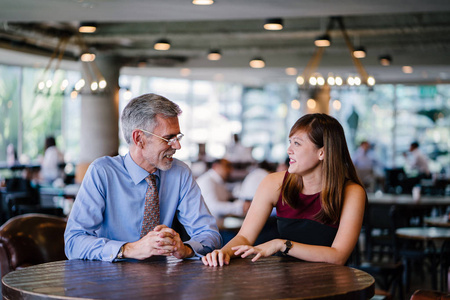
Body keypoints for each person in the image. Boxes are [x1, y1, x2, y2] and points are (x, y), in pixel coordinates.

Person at [64, 93, 222, 262]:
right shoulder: (102, 172)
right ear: (139, 138)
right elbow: (73, 242)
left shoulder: (180, 173)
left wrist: (186, 249)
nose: (177, 146)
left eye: (178, 137)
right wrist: (130, 249)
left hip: (163, 279)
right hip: (109, 277)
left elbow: (210, 234)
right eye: (168, 138)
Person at [202, 113, 366, 267]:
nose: (289, 150)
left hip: (331, 285)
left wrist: (282, 245)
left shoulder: (351, 192)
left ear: (321, 152)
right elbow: (244, 237)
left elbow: (338, 256)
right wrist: (223, 253)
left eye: (297, 143)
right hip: (285, 282)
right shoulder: (274, 183)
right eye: (290, 142)